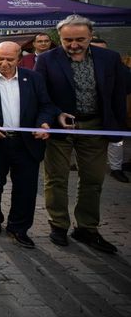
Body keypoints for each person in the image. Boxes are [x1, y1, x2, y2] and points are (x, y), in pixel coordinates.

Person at [36, 16, 127, 253]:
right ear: (60, 38)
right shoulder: (47, 60)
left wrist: (116, 125)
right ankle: (58, 225)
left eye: (80, 39)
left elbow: (120, 91)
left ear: (90, 36)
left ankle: (87, 228)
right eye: (68, 40)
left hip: (95, 126)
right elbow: (41, 95)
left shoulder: (110, 59)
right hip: (61, 128)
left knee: (93, 179)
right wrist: (56, 114)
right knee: (56, 178)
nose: (74, 44)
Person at [0, 42, 58, 249]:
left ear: (19, 59)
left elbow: (46, 105)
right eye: (0, 59)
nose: (5, 63)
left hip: (26, 143)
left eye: (10, 59)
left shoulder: (34, 78)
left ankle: (19, 228)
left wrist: (44, 123)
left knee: (26, 188)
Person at [89, 38, 131, 183]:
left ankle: (116, 168)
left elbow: (126, 86)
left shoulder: (118, 66)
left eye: (103, 50)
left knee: (116, 141)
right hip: (88, 115)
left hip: (111, 111)